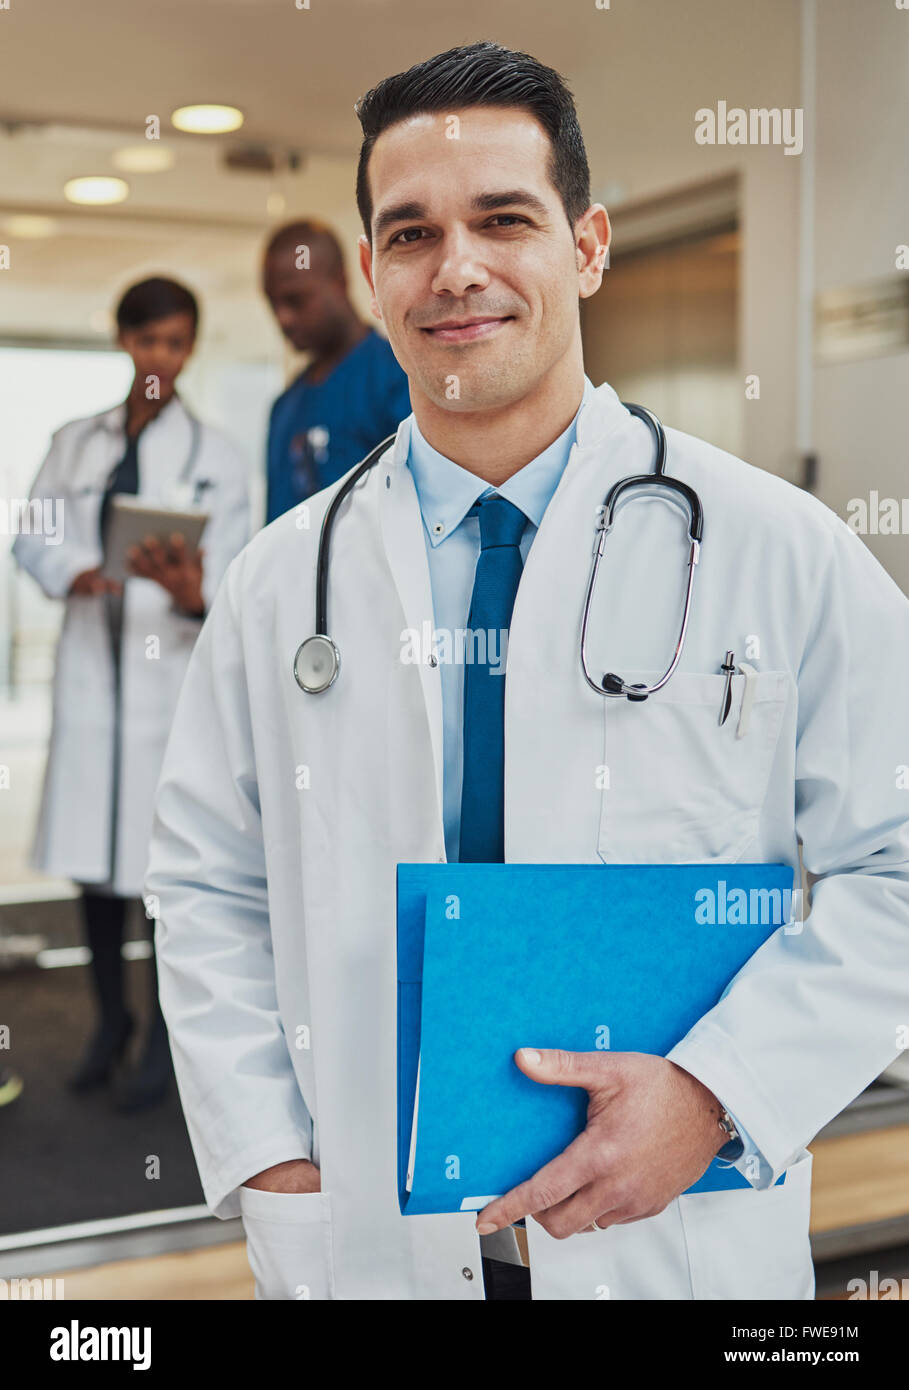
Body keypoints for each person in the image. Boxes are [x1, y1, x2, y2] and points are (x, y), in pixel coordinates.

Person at [146, 44, 909, 1299]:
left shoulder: (777, 550)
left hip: (673, 1237)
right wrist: (276, 1162)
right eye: (410, 233)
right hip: (366, 1237)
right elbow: (207, 886)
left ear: (589, 247)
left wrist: (725, 1092)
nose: (458, 269)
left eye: (505, 218)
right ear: (373, 275)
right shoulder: (284, 582)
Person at [14, 276, 250, 1112]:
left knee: (161, 880)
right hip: (92, 678)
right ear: (123, 341)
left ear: (189, 347)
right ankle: (108, 1024)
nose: (161, 359)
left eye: (176, 343)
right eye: (148, 342)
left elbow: (237, 579)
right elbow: (32, 532)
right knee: (93, 873)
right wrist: (70, 566)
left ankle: (159, 1043)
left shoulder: (215, 457)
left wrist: (191, 588)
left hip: (165, 684)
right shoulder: (74, 442)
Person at [261, 219, 411, 522]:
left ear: (340, 282)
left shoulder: (397, 379)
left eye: (295, 300)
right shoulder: (286, 407)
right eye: (273, 303)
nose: (284, 318)